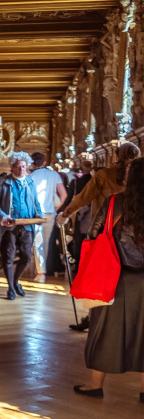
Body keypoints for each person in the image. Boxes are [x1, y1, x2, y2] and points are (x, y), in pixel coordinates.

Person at [73, 158, 144, 401]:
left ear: (129, 178)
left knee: (105, 331)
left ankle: (95, 385)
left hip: (115, 278)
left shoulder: (115, 202)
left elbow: (94, 233)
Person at [57, 144, 140, 331]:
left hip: (107, 235)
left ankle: (94, 319)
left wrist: (65, 215)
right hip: (135, 238)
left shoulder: (103, 176)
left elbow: (83, 198)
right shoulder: (139, 179)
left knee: (100, 280)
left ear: (116, 156)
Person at [0, 151, 44, 300]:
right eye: (18, 167)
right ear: (12, 168)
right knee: (8, 257)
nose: (21, 169)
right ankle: (11, 289)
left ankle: (15, 282)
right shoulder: (4, 182)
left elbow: (36, 202)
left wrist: (38, 213)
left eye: (24, 166)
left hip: (27, 225)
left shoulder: (30, 182)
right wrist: (3, 216)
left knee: (27, 257)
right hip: (10, 225)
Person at [29, 152, 67, 280]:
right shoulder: (54, 174)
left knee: (37, 242)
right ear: (44, 162)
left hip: (36, 213)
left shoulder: (31, 176)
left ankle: (41, 271)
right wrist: (56, 207)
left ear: (32, 163)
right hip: (50, 213)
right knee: (45, 242)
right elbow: (64, 195)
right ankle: (40, 269)